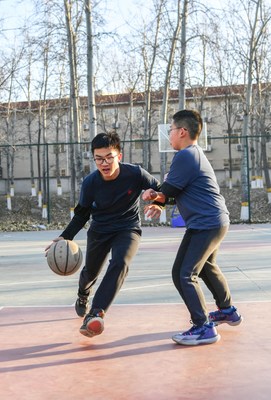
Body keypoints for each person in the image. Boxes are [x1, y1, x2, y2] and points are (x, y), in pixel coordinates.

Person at [45, 132, 162, 338]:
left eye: (109, 157)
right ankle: (83, 295)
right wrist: (66, 236)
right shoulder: (91, 183)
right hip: (99, 230)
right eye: (99, 158)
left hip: (128, 227)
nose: (104, 163)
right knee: (90, 273)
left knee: (120, 262)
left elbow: (159, 190)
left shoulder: (135, 174)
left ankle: (96, 313)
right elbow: (82, 214)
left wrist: (157, 202)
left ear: (119, 155)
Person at [142, 109, 243, 346]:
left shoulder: (186, 155)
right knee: (206, 266)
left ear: (182, 131)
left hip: (206, 224)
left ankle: (203, 326)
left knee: (184, 274)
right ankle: (227, 310)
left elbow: (167, 192)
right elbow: (175, 194)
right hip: (212, 222)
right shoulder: (193, 154)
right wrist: (161, 200)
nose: (169, 134)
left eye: (171, 130)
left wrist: (152, 195)